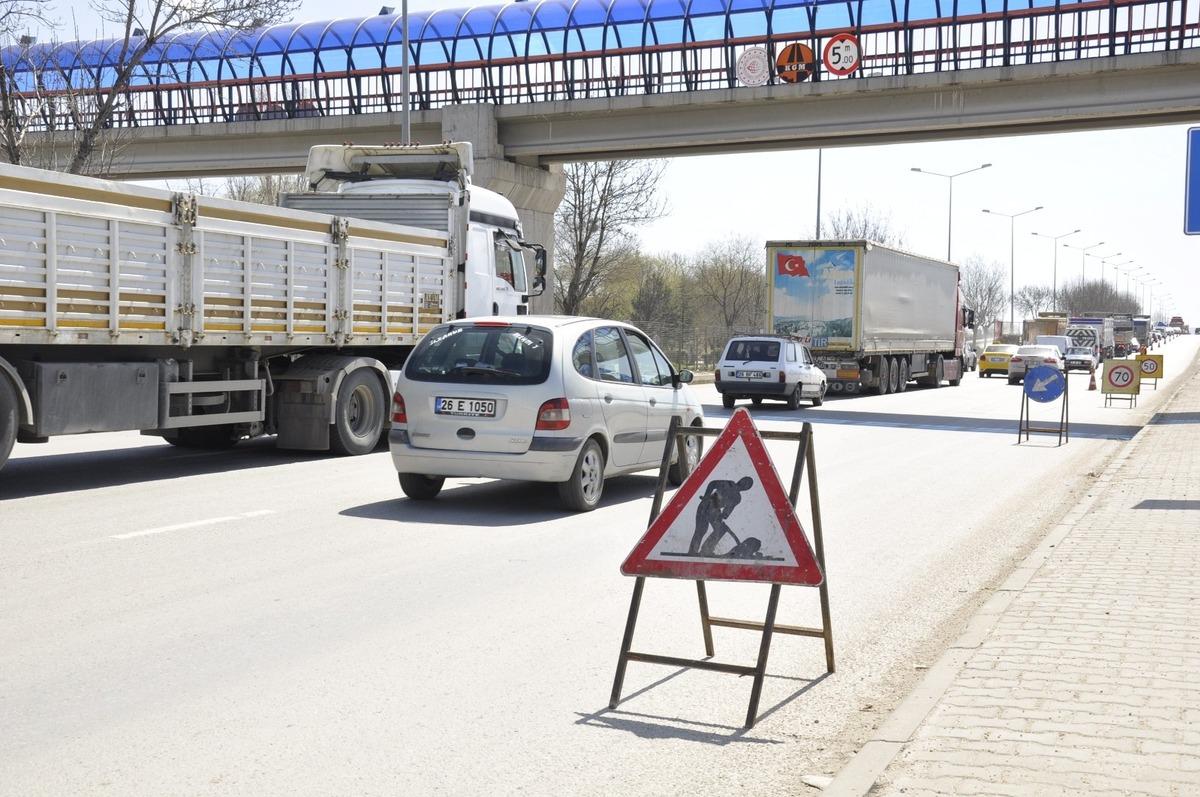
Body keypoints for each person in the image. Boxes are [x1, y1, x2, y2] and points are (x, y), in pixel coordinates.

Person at [689, 476, 754, 557]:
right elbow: (712, 484)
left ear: (747, 488)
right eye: (745, 481)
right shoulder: (729, 484)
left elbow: (729, 509)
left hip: (715, 510)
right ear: (741, 480)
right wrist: (706, 496)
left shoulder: (737, 498)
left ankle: (706, 549)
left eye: (748, 484)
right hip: (706, 505)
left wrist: (723, 516)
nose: (745, 484)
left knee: (720, 529)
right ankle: (692, 551)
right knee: (701, 530)